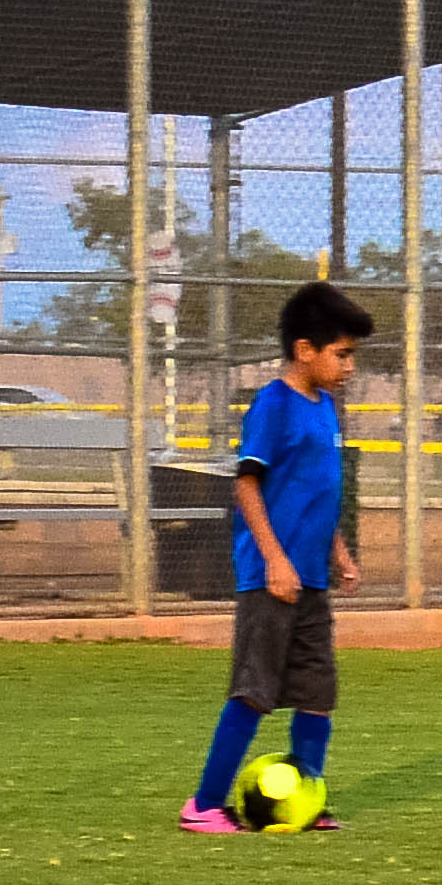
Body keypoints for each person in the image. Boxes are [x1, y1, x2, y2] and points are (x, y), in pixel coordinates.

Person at [180, 281, 370, 834]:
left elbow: (321, 489)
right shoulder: (274, 404)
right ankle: (204, 806)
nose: (349, 365)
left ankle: (305, 798)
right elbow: (246, 486)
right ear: (304, 350)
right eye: (342, 353)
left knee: (317, 693)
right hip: (273, 579)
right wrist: (273, 559)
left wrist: (338, 551)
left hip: (312, 578)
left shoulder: (327, 408)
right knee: (255, 690)